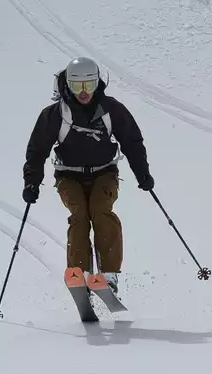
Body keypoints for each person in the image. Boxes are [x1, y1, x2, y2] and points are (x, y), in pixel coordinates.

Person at [22, 56, 154, 293]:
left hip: (104, 173)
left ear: (97, 83)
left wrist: (142, 173)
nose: (83, 92)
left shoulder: (111, 109)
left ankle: (109, 275)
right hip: (68, 176)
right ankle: (78, 274)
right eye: (77, 86)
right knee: (80, 215)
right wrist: (32, 182)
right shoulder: (55, 114)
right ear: (67, 85)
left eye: (89, 85)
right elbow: (37, 150)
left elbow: (132, 141)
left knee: (100, 210)